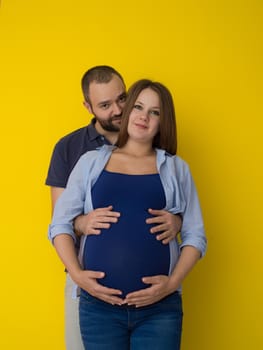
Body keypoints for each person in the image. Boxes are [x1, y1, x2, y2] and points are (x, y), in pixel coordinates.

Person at [48, 79, 207, 349]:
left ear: (163, 121)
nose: (144, 117)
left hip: (159, 311)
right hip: (99, 309)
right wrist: (77, 274)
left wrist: (171, 284)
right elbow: (59, 224)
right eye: (138, 107)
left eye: (154, 112)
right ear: (128, 111)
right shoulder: (91, 162)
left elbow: (196, 236)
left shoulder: (177, 169)